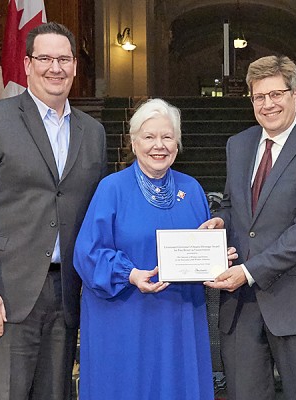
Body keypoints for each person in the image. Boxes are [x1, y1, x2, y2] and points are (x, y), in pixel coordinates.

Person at [0, 22, 108, 400]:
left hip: (67, 295)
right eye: (45, 58)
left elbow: (100, 214)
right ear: (26, 64)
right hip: (3, 295)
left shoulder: (94, 132)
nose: (55, 67)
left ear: (75, 67)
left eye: (64, 59)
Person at [201, 55, 296, 400]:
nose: (268, 104)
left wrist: (249, 271)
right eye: (259, 97)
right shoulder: (238, 144)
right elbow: (235, 205)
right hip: (242, 308)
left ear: (295, 94)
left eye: (276, 94)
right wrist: (222, 219)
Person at [73, 98, 232, 400]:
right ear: (133, 143)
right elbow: (88, 253)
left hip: (180, 320)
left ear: (177, 143)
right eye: (149, 137)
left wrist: (216, 257)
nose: (159, 145)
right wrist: (130, 274)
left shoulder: (193, 190)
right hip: (124, 319)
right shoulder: (112, 188)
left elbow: (199, 249)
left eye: (167, 137)